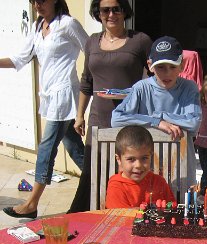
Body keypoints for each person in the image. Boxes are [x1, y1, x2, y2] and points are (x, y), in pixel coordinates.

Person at [1, 0, 88, 219]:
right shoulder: (37, 26)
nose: (37, 5)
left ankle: (32, 203)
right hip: (50, 96)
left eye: (42, 0)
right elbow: (20, 58)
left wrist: (88, 85)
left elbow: (91, 51)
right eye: (33, 1)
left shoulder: (68, 24)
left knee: (46, 148)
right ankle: (105, 183)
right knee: (74, 147)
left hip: (65, 94)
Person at [68, 0, 152, 213]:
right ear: (98, 13)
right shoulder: (92, 42)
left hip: (129, 119)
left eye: (116, 9)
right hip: (99, 118)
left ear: (124, 11)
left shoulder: (140, 41)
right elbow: (86, 82)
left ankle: (125, 215)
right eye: (105, 10)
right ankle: (91, 216)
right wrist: (80, 115)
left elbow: (156, 76)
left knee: (127, 170)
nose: (111, 14)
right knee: (93, 172)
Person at [111, 36, 202, 187]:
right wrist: (156, 122)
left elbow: (193, 123)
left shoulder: (189, 87)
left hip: (181, 168)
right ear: (150, 65)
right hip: (147, 170)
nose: (167, 73)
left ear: (182, 65)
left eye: (172, 66)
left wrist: (160, 116)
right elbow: (116, 118)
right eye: (161, 67)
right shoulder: (141, 88)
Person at [105, 126, 176, 208]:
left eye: (144, 158)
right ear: (119, 159)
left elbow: (173, 208)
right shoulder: (117, 187)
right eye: (131, 159)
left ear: (151, 156)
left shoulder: (159, 182)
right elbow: (119, 215)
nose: (138, 165)